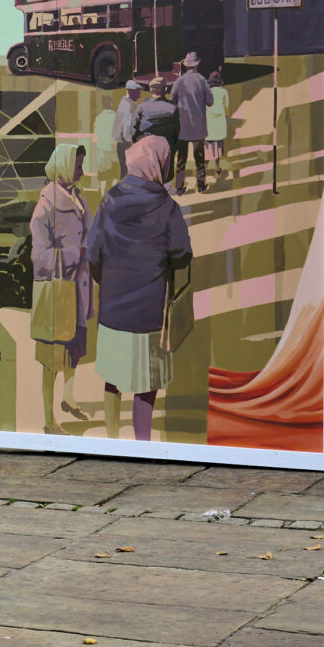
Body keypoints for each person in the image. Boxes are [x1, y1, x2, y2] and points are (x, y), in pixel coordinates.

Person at [86, 136, 192, 441]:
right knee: (147, 382)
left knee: (112, 378)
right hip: (151, 312)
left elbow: (93, 253)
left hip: (113, 309)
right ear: (159, 163)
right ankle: (142, 441)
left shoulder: (108, 201)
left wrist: (109, 282)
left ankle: (110, 438)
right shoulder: (167, 207)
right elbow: (182, 254)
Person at [30, 143, 95, 433]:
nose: (81, 170)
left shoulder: (77, 197)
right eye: (78, 165)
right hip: (59, 291)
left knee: (74, 346)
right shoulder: (46, 204)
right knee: (51, 358)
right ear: (64, 166)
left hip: (77, 287)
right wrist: (73, 255)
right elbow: (39, 254)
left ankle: (68, 398)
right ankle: (47, 421)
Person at [170, 51, 210, 194]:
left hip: (183, 125)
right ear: (197, 64)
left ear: (186, 65)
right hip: (198, 125)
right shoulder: (202, 80)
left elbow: (171, 99)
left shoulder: (179, 81)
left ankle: (180, 188)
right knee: (199, 158)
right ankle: (201, 185)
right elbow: (210, 101)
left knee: (181, 159)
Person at [136, 76, 179, 147]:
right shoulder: (173, 107)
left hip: (146, 144)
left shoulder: (141, 107)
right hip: (167, 146)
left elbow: (134, 128)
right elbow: (178, 129)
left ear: (150, 90)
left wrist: (138, 141)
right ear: (165, 89)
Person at [205, 70, 230, 184]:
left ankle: (204, 169)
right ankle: (217, 168)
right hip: (219, 121)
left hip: (208, 121)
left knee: (207, 146)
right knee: (218, 146)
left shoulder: (207, 91)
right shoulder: (224, 91)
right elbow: (227, 106)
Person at [112, 80, 143, 172]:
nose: (139, 92)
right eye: (137, 90)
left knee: (125, 171)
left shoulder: (126, 103)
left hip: (123, 143)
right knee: (128, 171)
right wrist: (132, 144)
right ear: (131, 91)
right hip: (126, 143)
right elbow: (126, 126)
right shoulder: (128, 105)